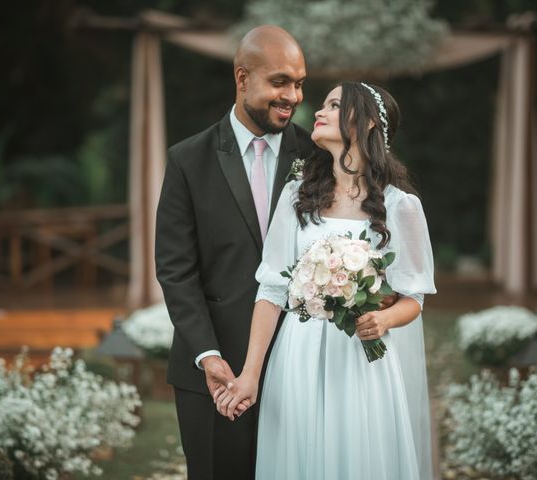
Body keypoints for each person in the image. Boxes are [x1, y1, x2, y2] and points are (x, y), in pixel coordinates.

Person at [216, 82, 437, 479]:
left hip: (360, 361)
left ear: (367, 122)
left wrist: (383, 320)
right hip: (297, 354)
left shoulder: (401, 206)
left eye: (335, 105)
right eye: (324, 104)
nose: (319, 111)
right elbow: (270, 290)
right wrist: (250, 373)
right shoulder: (297, 197)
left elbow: (414, 298)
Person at [154, 26, 313, 480]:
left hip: (300, 364)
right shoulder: (189, 159)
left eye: (299, 83)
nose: (293, 96)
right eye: (280, 82)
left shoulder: (318, 156)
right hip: (215, 373)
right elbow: (175, 268)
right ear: (243, 79)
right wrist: (206, 353)